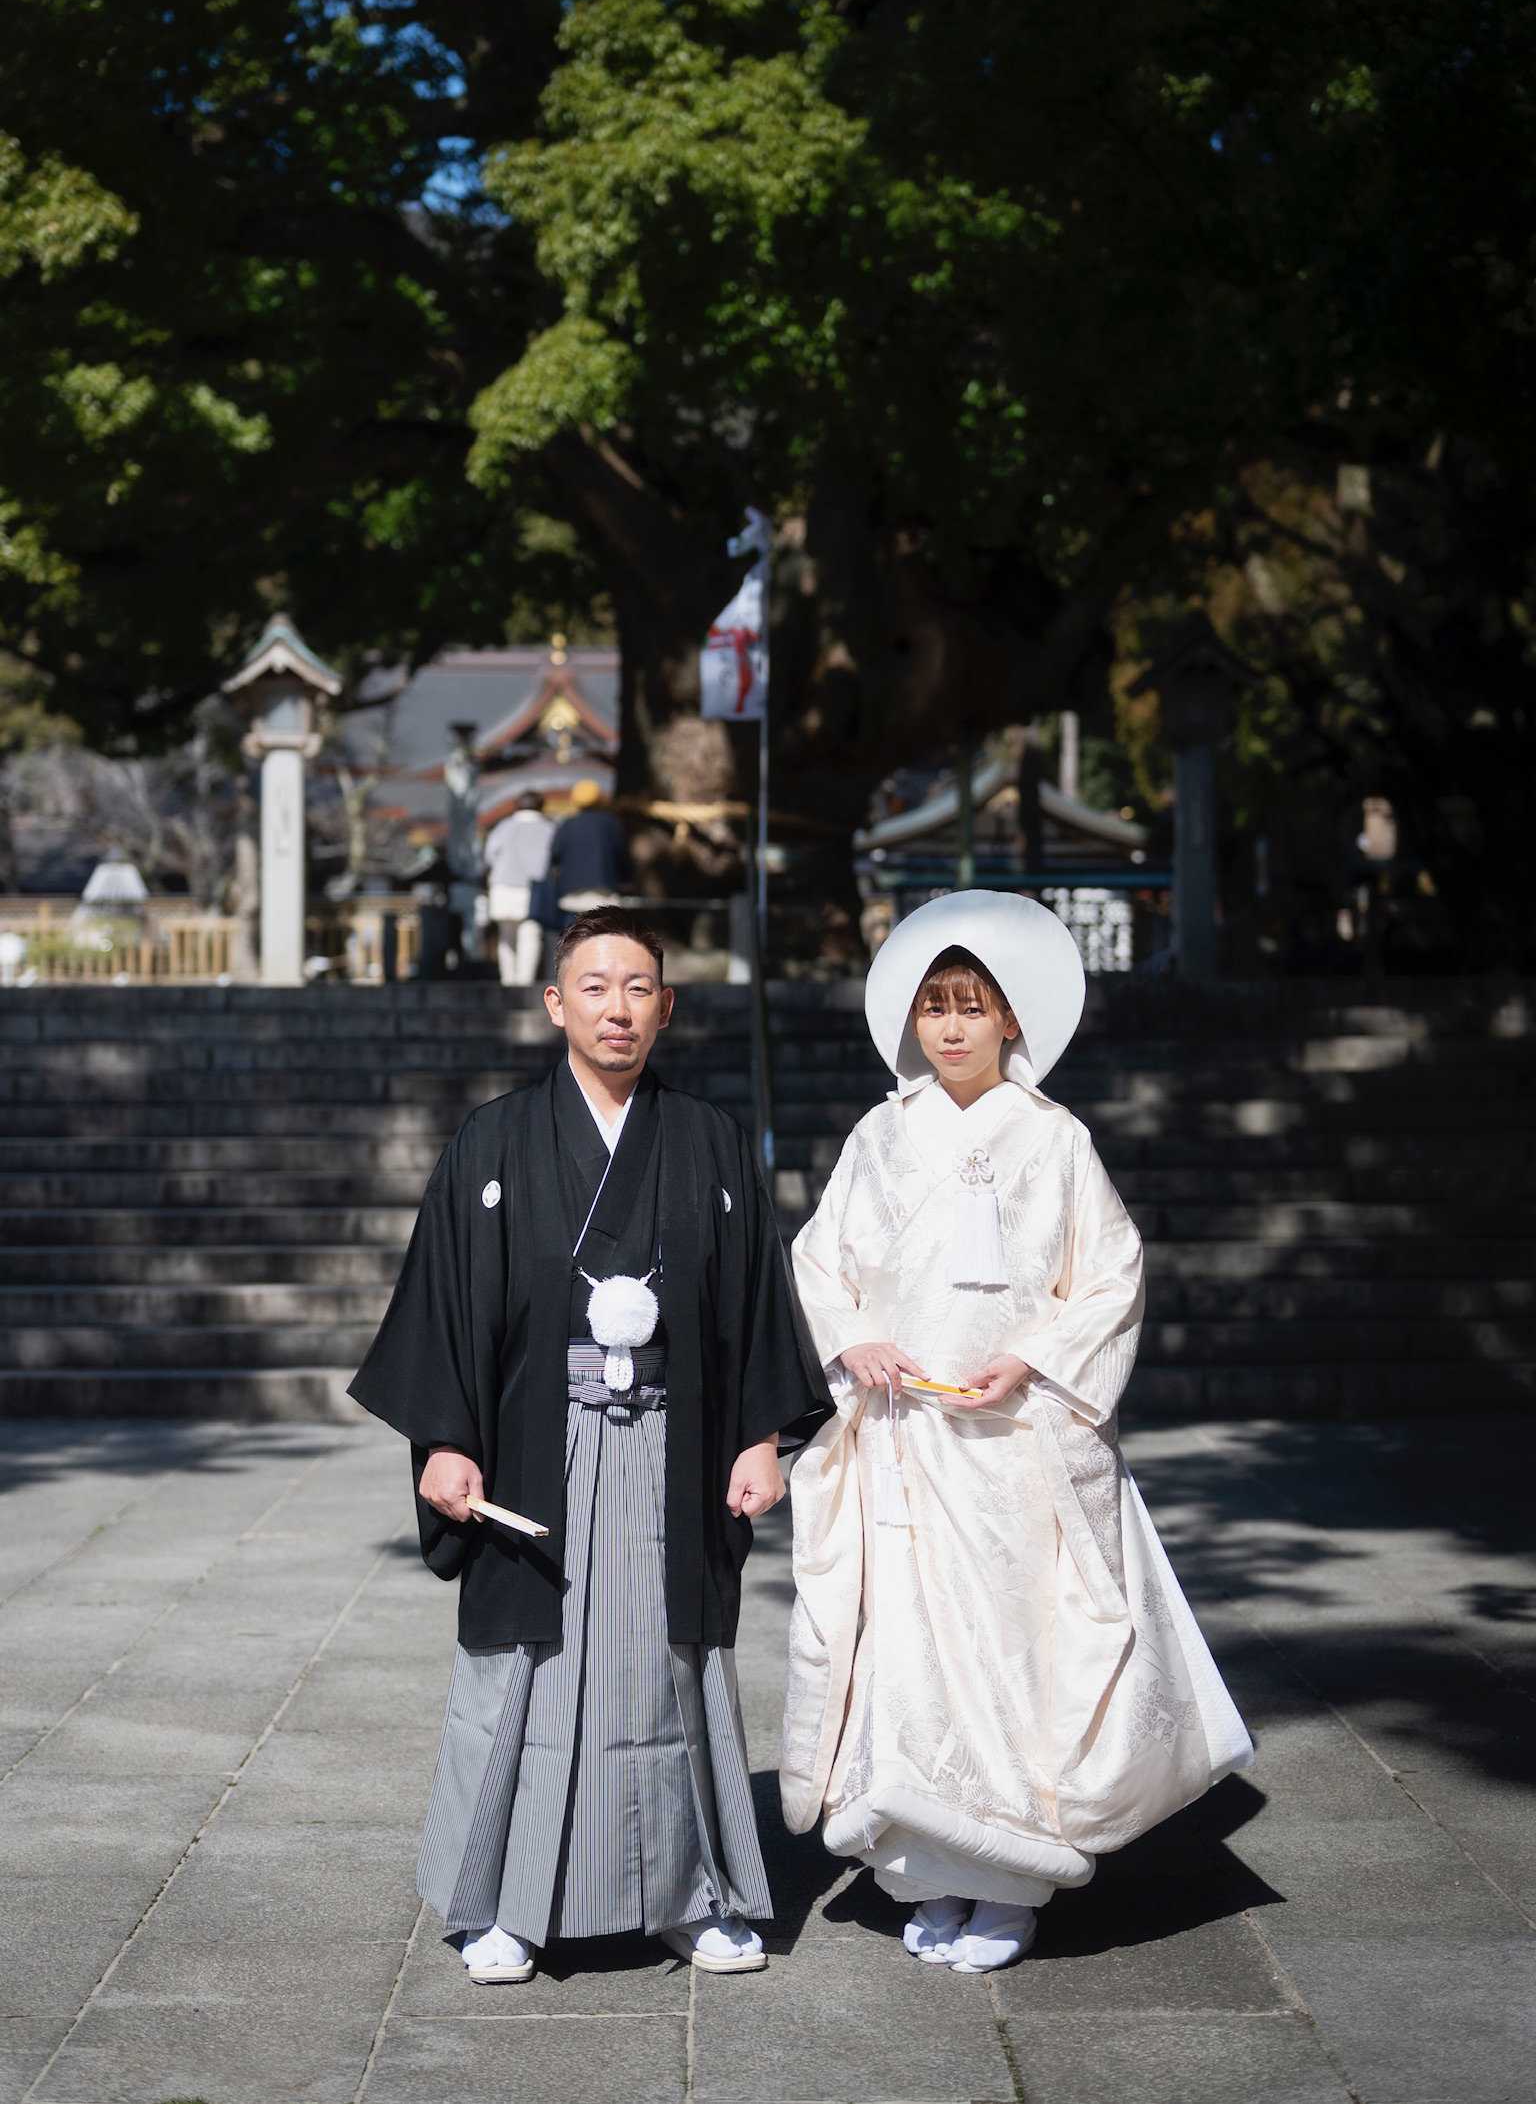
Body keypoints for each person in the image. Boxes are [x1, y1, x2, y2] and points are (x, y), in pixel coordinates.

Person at [349, 909, 832, 1984]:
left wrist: (761, 1435)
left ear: (667, 1003)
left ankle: (691, 1895)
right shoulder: (493, 1138)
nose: (620, 1007)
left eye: (641, 986)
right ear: (556, 1001)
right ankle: (506, 1903)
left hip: (676, 1442)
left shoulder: (709, 1138)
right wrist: (442, 1439)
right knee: (528, 1670)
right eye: (596, 986)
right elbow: (446, 1304)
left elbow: (754, 1300)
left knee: (667, 1666)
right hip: (536, 1449)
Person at [779, 890, 1253, 1974]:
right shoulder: (879, 1133)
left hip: (1009, 1446)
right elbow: (819, 1261)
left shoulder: (1054, 1137)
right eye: (934, 1006)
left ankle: (1010, 1878)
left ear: (1012, 1022)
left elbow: (1110, 1274)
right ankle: (928, 1869)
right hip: (903, 1433)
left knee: (1008, 1657)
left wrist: (1032, 1357)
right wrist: (854, 1339)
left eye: (972, 1006)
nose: (950, 1027)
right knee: (907, 1659)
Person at [483, 791, 555, 986]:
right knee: (529, 936)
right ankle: (524, 982)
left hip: (503, 887)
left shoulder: (503, 827)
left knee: (507, 938)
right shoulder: (548, 829)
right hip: (533, 889)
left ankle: (508, 981)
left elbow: (489, 856)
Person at [548, 778, 633, 914]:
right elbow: (621, 854)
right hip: (604, 890)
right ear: (598, 799)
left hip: (571, 891)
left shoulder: (567, 824)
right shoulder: (609, 823)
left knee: (574, 932)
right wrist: (627, 879)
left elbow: (555, 854)